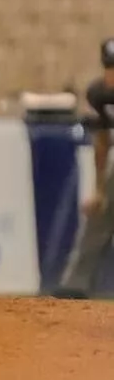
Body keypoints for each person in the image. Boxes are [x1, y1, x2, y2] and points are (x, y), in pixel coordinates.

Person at [54, 39, 114, 299]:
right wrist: (99, 189)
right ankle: (75, 285)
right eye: (109, 68)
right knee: (99, 214)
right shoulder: (99, 94)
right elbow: (102, 141)